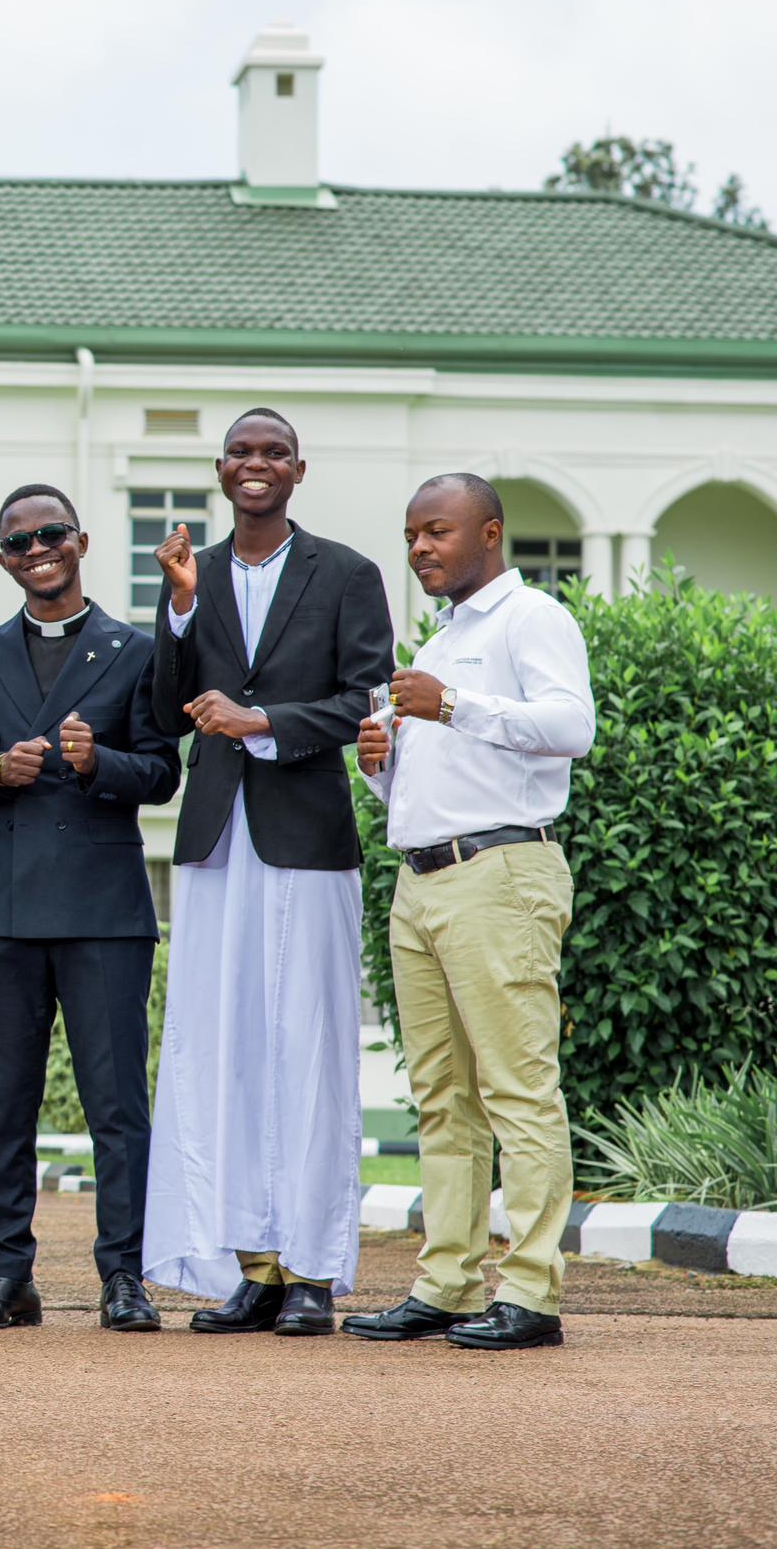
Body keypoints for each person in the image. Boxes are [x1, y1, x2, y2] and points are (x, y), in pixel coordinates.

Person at [143, 408, 392, 1337]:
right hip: (216, 840)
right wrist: (177, 609)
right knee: (226, 1050)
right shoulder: (193, 573)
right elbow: (164, 710)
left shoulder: (347, 573)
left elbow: (366, 701)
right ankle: (254, 1265)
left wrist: (264, 723)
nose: (257, 465)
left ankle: (315, 1268)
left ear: (298, 470)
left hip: (306, 836)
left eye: (273, 453)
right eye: (242, 453)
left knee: (308, 1045)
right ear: (221, 471)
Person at [345, 475, 593, 1352]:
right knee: (442, 1096)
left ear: (490, 533)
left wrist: (450, 704)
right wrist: (382, 763)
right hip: (420, 879)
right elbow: (437, 778)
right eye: (412, 535)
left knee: (518, 1089)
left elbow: (572, 726)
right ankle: (447, 1282)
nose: (420, 548)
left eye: (437, 531)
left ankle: (530, 1292)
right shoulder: (441, 640)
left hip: (499, 872)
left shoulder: (532, 619)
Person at [0, 486, 180, 1334]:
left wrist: (97, 762)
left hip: (103, 906)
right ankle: (6, 1276)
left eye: (51, 534)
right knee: (4, 1105)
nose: (36, 549)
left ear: (81, 542)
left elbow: (163, 772)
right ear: (4, 559)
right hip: (1, 906)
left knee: (117, 1106)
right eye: (18, 541)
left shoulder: (134, 651)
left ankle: (125, 1277)